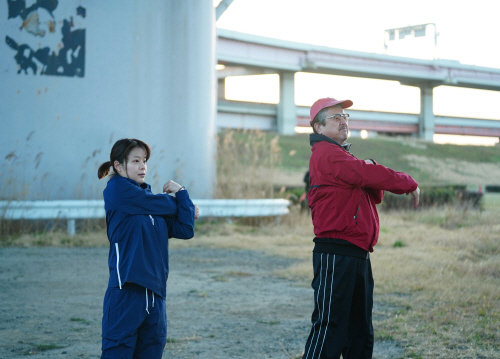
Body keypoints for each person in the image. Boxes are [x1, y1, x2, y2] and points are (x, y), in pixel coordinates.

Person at [302, 98, 420, 359]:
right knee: (330, 327)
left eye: (345, 116)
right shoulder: (326, 153)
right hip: (337, 252)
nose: (343, 120)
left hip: (355, 252)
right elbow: (368, 176)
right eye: (335, 117)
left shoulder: (343, 155)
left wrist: (368, 165)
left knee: (360, 331)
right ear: (318, 128)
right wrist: (408, 183)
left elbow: (373, 194)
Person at [97, 138, 199, 359]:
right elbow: (167, 206)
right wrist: (184, 204)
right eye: (135, 160)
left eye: (144, 161)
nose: (143, 166)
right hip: (126, 291)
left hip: (155, 296)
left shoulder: (150, 203)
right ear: (118, 165)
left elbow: (185, 229)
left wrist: (181, 193)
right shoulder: (117, 190)